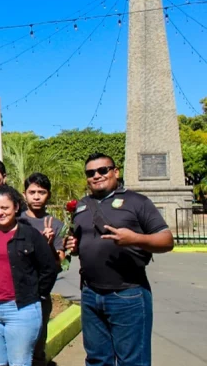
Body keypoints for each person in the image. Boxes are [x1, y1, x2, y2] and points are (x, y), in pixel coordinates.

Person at [64, 153, 173, 366]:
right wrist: (74, 247)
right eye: (90, 173)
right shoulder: (81, 206)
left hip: (127, 294)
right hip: (90, 293)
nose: (96, 176)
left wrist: (135, 238)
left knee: (132, 362)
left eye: (103, 170)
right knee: (96, 360)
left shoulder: (137, 201)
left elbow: (167, 240)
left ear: (115, 172)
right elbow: (81, 244)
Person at [0, 185, 58, 366]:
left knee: (19, 362)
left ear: (16, 207)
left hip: (21, 309)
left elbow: (49, 269)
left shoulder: (31, 235)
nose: (0, 212)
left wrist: (37, 295)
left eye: (5, 208)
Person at [20, 172, 66, 366]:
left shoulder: (56, 225)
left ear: (48, 195)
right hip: (14, 292)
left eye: (42, 192)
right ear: (24, 194)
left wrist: (46, 246)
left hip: (40, 293)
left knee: (37, 345)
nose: (36, 196)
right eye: (32, 192)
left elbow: (59, 262)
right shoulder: (14, 221)